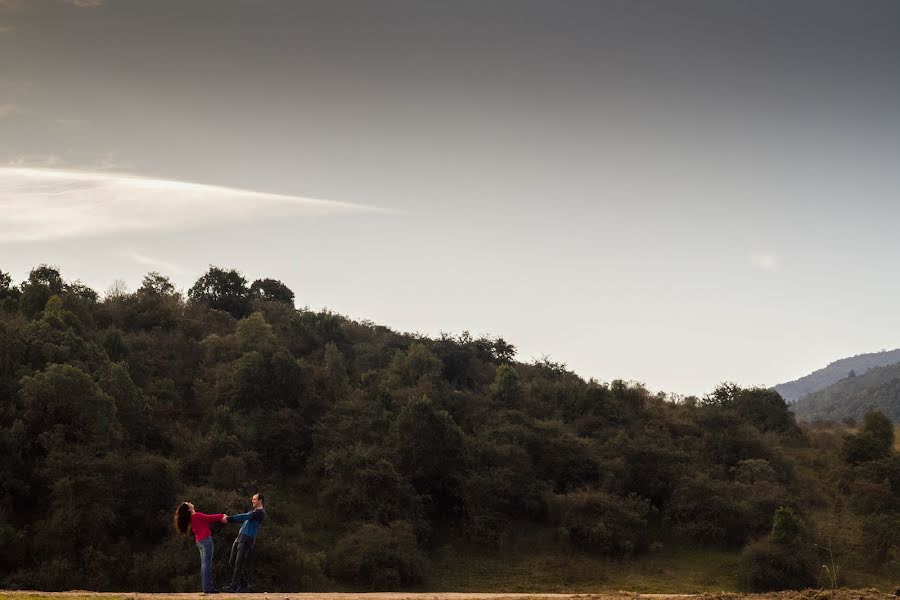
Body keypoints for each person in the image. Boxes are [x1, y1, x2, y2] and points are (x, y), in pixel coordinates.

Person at [174, 501, 227, 595]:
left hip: (199, 541)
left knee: (204, 564)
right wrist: (222, 515)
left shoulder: (192, 518)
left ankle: (206, 587)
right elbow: (210, 518)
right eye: (188, 503)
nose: (190, 503)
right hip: (206, 540)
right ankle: (208, 587)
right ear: (189, 509)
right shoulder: (196, 516)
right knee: (207, 564)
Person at [221, 492, 266, 593]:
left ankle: (234, 586)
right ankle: (244, 584)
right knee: (232, 561)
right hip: (240, 537)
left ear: (260, 501)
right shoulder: (253, 511)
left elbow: (243, 517)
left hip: (247, 539)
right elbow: (244, 518)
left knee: (238, 563)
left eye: (254, 499)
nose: (252, 501)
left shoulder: (260, 513)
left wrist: (228, 518)